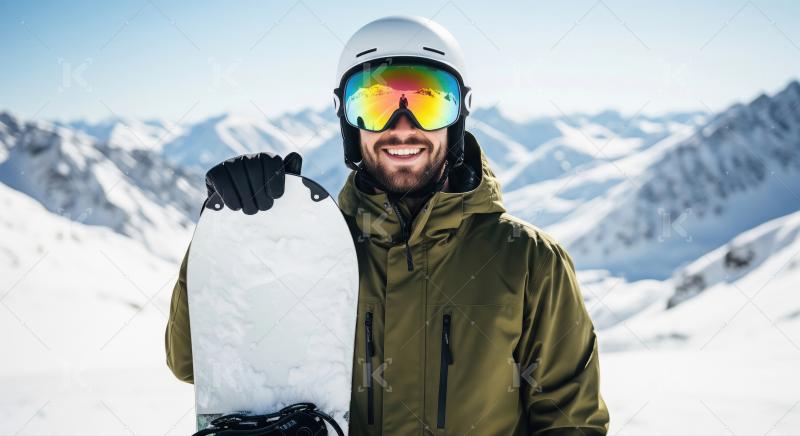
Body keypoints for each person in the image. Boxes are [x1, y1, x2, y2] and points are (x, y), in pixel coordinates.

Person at [166, 15, 609, 435]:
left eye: (428, 101)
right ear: (347, 121)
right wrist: (232, 232)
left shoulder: (529, 260)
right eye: (375, 102)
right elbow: (191, 361)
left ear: (460, 115)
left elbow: (571, 422)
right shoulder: (308, 246)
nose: (402, 127)